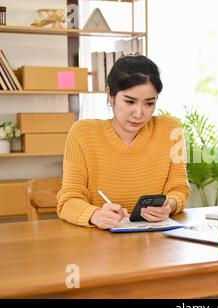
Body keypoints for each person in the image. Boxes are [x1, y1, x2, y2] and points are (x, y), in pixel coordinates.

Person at [57, 55, 190, 229]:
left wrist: (169, 205)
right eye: (129, 101)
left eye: (149, 103)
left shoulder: (170, 129)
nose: (139, 113)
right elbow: (68, 201)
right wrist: (94, 215)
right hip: (99, 244)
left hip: (155, 242)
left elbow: (179, 188)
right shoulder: (83, 133)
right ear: (110, 95)